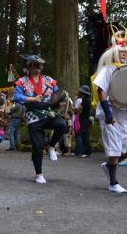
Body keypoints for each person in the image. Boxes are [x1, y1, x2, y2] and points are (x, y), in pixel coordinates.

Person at [93, 25, 127, 193]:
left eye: (125, 52)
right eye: (121, 51)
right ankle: (113, 183)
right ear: (115, 52)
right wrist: (108, 114)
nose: (124, 54)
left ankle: (109, 165)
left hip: (124, 115)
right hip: (110, 114)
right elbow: (100, 90)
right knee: (115, 150)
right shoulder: (108, 69)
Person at [13, 54, 67, 184]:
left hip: (48, 113)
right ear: (29, 66)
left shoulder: (49, 80)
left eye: (40, 65)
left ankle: (52, 146)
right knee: (37, 146)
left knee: (62, 125)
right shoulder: (22, 81)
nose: (38, 67)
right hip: (33, 116)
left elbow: (57, 94)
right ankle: (39, 174)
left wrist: (60, 101)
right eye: (35, 65)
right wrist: (31, 98)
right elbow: (16, 97)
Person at [74, 85, 92, 158]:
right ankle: (87, 151)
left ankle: (87, 152)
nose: (79, 92)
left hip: (84, 119)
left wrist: (74, 109)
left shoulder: (85, 100)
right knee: (85, 135)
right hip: (85, 118)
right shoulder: (86, 99)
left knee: (85, 135)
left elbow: (78, 110)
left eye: (80, 91)